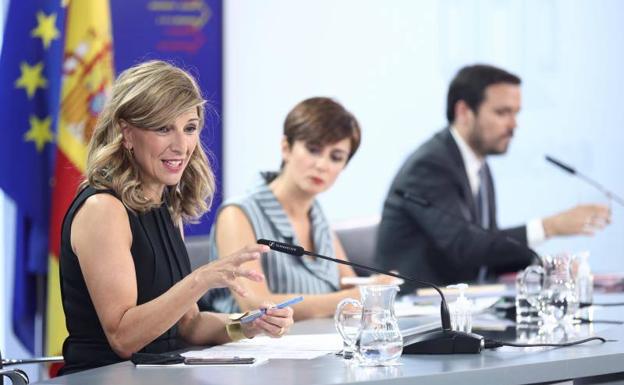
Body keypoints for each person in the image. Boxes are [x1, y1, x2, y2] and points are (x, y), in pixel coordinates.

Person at [58, 60, 294, 375]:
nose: (181, 145)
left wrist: (249, 324)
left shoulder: (166, 204)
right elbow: (124, 338)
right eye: (163, 128)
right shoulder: (104, 209)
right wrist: (201, 279)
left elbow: (189, 325)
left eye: (190, 128)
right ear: (127, 133)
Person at [375, 64, 611, 290]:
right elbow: (464, 247)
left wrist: (547, 267)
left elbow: (489, 250)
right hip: (418, 312)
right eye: (502, 112)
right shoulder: (429, 165)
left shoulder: (477, 163)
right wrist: (549, 227)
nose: (513, 125)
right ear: (464, 112)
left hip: (464, 306)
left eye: (516, 113)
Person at [205, 97, 396, 320]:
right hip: (252, 349)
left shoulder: (317, 215)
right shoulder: (237, 214)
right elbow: (254, 303)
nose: (322, 165)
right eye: (313, 150)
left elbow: (349, 285)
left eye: (336, 157)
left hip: (317, 345)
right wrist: (359, 296)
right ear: (286, 148)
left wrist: (377, 285)